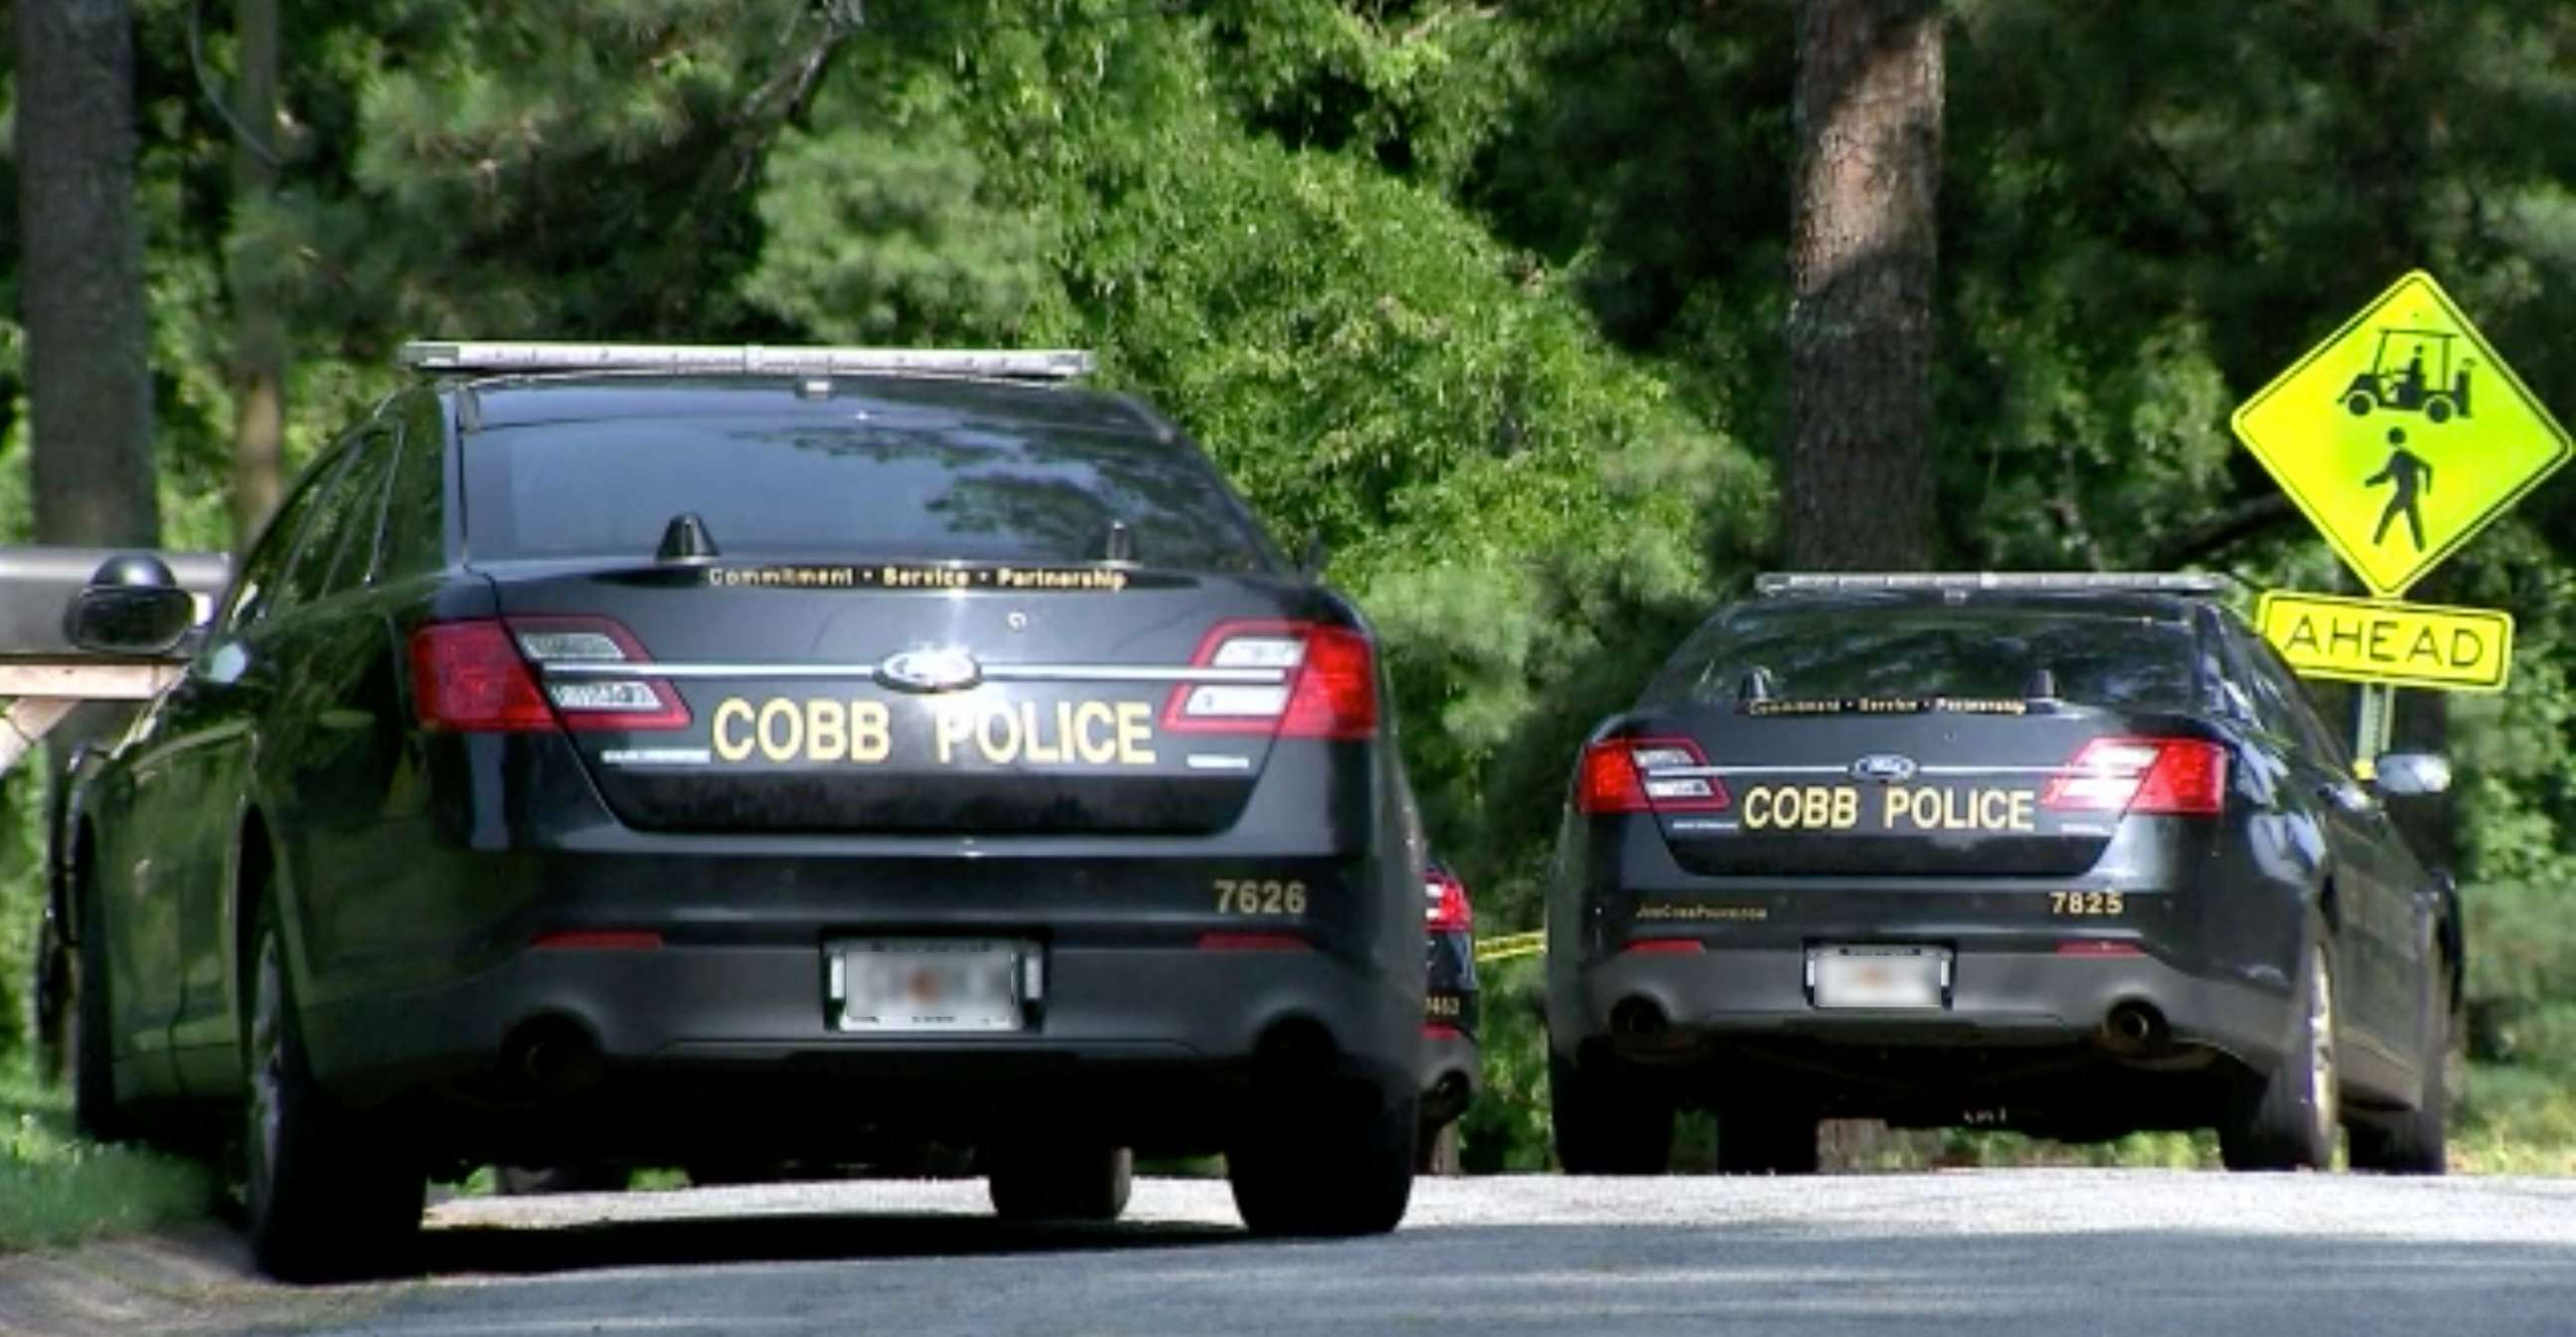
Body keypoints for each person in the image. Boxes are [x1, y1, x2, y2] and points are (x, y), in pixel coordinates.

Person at [2366, 425, 2433, 551]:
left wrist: (2368, 482)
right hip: (2412, 493)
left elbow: (2386, 477)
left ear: (2392, 439)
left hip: (2403, 494)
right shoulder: (2407, 454)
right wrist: (2427, 488)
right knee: (2415, 523)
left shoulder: (2399, 455)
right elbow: (2429, 468)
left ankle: (2376, 544)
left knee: (2387, 515)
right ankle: (2421, 547)